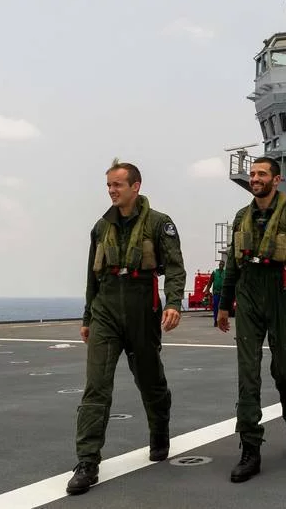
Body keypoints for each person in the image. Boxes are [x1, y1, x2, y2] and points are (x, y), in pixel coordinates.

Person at [66, 160, 186, 496]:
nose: (112, 191)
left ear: (136, 186)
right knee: (96, 386)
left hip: (142, 309)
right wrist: (88, 317)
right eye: (108, 186)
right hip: (106, 309)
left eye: (117, 185)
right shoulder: (101, 227)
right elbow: (93, 275)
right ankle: (87, 461)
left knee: (149, 379)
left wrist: (174, 303)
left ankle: (159, 428)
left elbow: (176, 268)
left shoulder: (160, 224)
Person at [217, 156, 286, 483]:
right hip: (248, 293)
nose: (256, 178)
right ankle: (250, 448)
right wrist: (223, 305)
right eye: (253, 174)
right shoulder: (241, 217)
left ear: (276, 180)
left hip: (282, 291)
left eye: (262, 174)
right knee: (247, 373)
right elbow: (232, 263)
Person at [203, 260, 226, 327]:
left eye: (222, 264)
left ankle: (222, 322)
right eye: (220, 264)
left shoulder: (225, 273)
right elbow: (210, 282)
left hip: (223, 294)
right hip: (216, 293)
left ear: (224, 265)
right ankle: (215, 321)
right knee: (216, 307)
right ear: (219, 265)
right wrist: (207, 290)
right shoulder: (215, 272)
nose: (221, 265)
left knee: (223, 308)